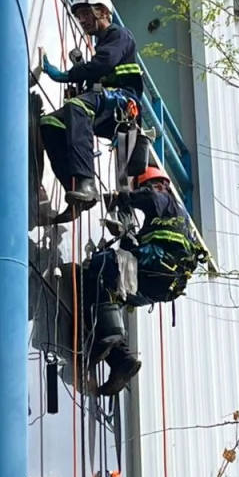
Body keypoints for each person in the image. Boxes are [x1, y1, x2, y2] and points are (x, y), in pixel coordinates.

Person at [85, 166, 203, 396]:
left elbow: (150, 197)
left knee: (97, 265)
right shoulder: (170, 220)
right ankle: (121, 359)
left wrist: (121, 198)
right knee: (108, 294)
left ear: (159, 185)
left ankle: (107, 337)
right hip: (158, 285)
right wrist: (126, 235)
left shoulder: (165, 200)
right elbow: (137, 249)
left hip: (156, 267)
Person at [40, 0, 143, 218]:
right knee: (50, 123)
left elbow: (101, 65)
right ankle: (76, 189)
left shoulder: (120, 36)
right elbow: (97, 75)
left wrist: (65, 75)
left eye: (86, 13)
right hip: (105, 103)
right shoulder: (103, 44)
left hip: (122, 102)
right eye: (79, 16)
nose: (82, 20)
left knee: (77, 106)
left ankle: (87, 184)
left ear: (103, 11)